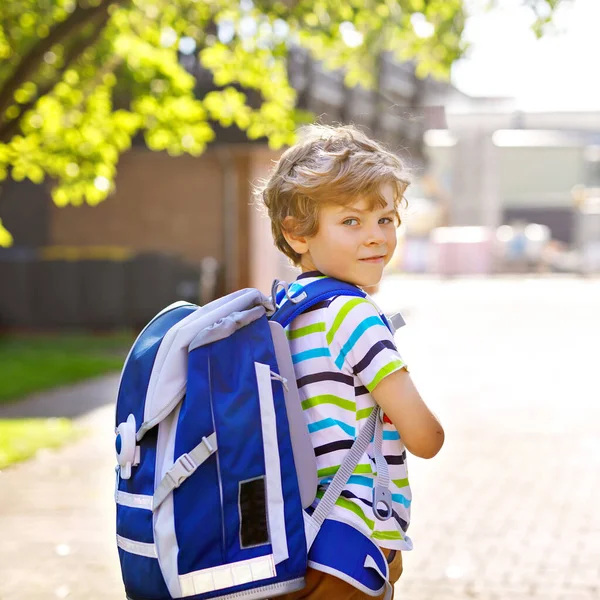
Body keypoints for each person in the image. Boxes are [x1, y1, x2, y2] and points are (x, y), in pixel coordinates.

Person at [257, 124, 445, 599]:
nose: (375, 238)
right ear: (297, 234)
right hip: (351, 538)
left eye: (385, 220)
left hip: (298, 533)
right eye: (351, 222)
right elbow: (425, 438)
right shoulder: (354, 314)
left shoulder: (286, 312)